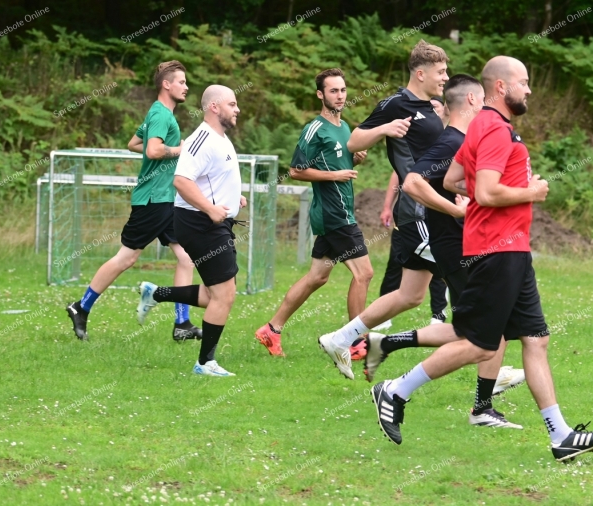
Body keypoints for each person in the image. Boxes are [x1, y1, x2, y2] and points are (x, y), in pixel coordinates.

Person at [368, 57, 593, 461]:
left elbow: (453, 181)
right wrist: (530, 192)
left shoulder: (482, 126)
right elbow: (485, 191)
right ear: (501, 86)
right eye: (524, 82)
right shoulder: (496, 130)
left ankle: (561, 435)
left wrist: (492, 194)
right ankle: (395, 390)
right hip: (497, 249)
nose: (529, 89)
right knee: (480, 345)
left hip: (512, 248)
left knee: (536, 339)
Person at [317, 40, 450, 380]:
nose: (446, 77)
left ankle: (340, 338)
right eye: (440, 72)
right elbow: (354, 141)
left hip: (434, 209)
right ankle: (489, 367)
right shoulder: (395, 103)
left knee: (410, 295)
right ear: (420, 73)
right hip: (418, 211)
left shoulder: (431, 108)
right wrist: (385, 129)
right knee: (469, 273)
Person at [66, 61, 202, 342]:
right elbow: (152, 150)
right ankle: (81, 306)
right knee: (126, 258)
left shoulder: (157, 113)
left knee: (186, 257)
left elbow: (133, 144)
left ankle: (182, 324)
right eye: (181, 82)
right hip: (153, 200)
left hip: (166, 199)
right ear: (166, 84)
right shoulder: (161, 114)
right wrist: (181, 150)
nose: (186, 87)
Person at [253, 68, 372, 357]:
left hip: (339, 210)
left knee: (317, 277)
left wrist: (355, 159)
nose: (340, 96)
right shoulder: (314, 129)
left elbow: (339, 164)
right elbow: (296, 170)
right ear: (320, 94)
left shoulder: (345, 127)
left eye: (343, 90)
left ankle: (271, 330)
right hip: (334, 213)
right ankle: (354, 342)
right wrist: (334, 176)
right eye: (333, 91)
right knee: (364, 273)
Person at [135, 85, 246, 377]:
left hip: (211, 222)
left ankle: (156, 293)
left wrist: (233, 196)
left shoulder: (220, 138)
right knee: (224, 295)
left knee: (216, 294)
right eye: (232, 104)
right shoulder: (202, 139)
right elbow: (182, 180)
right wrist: (210, 209)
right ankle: (205, 363)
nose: (237, 109)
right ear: (214, 107)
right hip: (201, 223)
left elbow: (210, 179)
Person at [371, 171, 449, 332]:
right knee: (395, 267)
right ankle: (382, 317)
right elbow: (397, 174)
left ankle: (438, 316)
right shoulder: (405, 157)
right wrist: (387, 207)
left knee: (437, 266)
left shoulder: (443, 158)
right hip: (406, 220)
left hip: (433, 219)